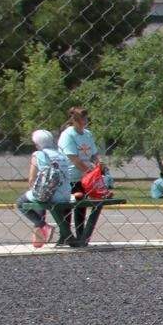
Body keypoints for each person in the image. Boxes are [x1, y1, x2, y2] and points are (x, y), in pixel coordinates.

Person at [57, 106, 104, 247]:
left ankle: (81, 234)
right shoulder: (68, 135)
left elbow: (94, 153)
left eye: (86, 118)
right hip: (70, 177)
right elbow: (74, 158)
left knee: (81, 206)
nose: (86, 120)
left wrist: (98, 164)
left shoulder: (87, 134)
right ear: (75, 120)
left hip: (85, 177)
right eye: (83, 118)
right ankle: (65, 236)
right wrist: (89, 171)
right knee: (68, 206)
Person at [16, 129, 66, 248]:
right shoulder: (61, 154)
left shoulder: (38, 154)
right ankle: (40, 236)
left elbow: (32, 179)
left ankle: (42, 225)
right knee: (38, 198)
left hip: (49, 193)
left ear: (37, 144)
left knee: (21, 202)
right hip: (64, 193)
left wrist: (32, 190)